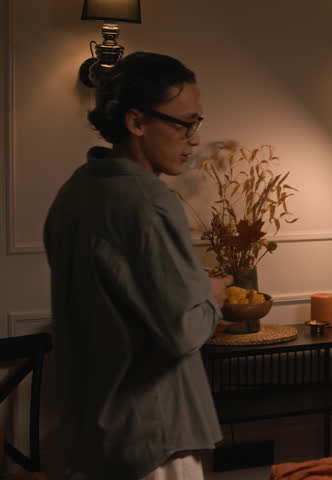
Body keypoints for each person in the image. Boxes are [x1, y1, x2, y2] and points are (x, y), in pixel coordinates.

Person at [43, 52, 232, 480]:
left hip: (93, 435)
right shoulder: (147, 200)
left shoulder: (75, 192)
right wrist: (211, 297)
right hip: (154, 438)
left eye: (197, 123)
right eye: (185, 123)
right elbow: (182, 331)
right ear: (136, 122)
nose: (195, 138)